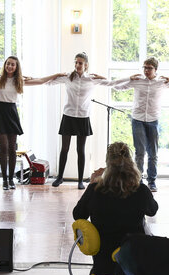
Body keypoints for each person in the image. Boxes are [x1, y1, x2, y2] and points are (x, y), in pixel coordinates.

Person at [112, 57, 169, 192]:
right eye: (145, 67)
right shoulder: (137, 80)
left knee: (153, 153)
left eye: (149, 68)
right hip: (138, 119)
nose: (146, 70)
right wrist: (128, 78)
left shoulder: (162, 82)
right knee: (140, 152)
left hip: (153, 120)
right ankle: (138, 181)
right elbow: (117, 86)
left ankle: (152, 181)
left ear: (156, 69)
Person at [72, 141, 158, 275]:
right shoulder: (141, 191)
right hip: (134, 268)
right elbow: (152, 210)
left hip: (103, 267)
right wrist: (138, 182)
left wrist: (93, 184)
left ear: (108, 163)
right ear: (131, 162)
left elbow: (78, 215)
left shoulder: (95, 190)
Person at [0, 56, 63, 190]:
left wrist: (57, 74)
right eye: (8, 64)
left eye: (13, 65)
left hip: (11, 111)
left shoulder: (19, 80)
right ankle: (4, 180)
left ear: (16, 67)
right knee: (4, 147)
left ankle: (11, 179)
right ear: (5, 65)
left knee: (12, 148)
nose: (10, 66)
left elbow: (40, 80)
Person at [47, 52, 119, 189]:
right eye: (76, 62)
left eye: (80, 63)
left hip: (83, 117)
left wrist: (102, 76)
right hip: (68, 115)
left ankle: (80, 180)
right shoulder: (68, 77)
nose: (77, 65)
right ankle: (59, 177)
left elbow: (111, 83)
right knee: (65, 148)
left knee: (81, 149)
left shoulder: (91, 79)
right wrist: (53, 75)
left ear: (86, 65)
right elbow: (49, 83)